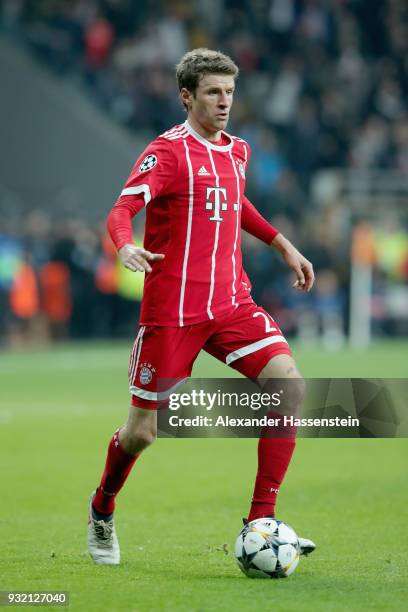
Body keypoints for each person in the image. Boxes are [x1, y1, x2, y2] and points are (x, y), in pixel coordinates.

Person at [87, 48, 316, 565]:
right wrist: (125, 245)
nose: (224, 102)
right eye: (213, 92)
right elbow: (123, 208)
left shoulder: (237, 151)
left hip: (231, 303)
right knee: (142, 433)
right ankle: (102, 508)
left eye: (230, 92)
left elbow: (234, 203)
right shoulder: (167, 153)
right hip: (173, 313)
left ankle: (262, 520)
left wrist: (283, 245)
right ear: (187, 96)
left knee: (289, 386)